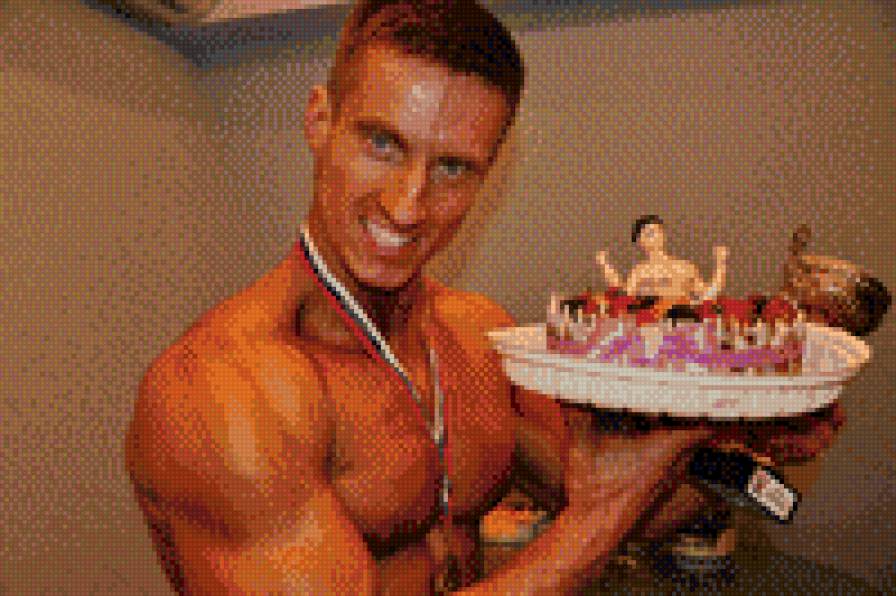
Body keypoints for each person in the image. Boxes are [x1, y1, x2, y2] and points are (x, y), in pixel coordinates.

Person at [125, 2, 840, 593]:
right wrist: (594, 523)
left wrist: (750, 445)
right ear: (319, 121)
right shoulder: (218, 391)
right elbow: (597, 520)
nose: (407, 205)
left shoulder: (477, 337)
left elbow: (624, 507)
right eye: (382, 143)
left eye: (453, 168)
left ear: (488, 174)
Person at [596, 215, 728, 303]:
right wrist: (605, 265)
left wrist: (720, 263)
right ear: (640, 242)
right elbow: (624, 296)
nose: (655, 236)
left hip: (682, 325)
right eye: (648, 234)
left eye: (657, 231)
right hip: (648, 327)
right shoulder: (639, 272)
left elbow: (708, 295)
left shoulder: (684, 267)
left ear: (663, 235)